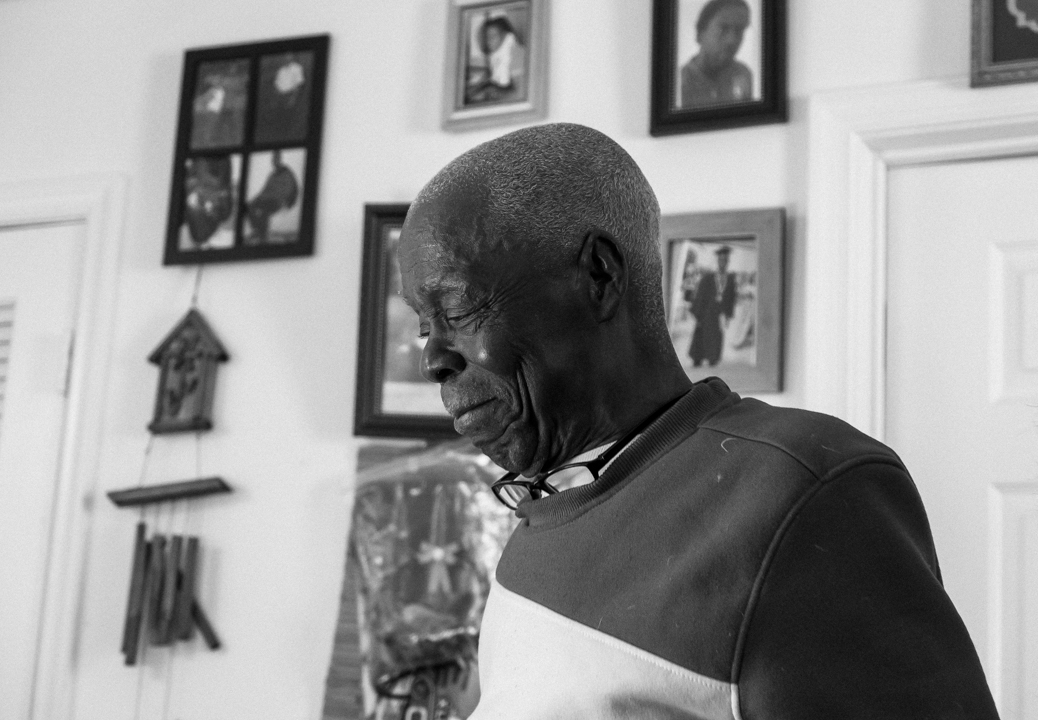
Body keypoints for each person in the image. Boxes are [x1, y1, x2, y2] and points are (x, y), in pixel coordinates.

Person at [396, 122, 1000, 718]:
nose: (432, 360)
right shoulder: (546, 508)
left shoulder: (802, 493)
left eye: (457, 309)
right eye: (425, 327)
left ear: (599, 276)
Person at [681, 0, 754, 108]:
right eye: (723, 29)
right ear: (701, 33)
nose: (731, 40)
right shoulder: (679, 82)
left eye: (739, 31)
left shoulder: (743, 75)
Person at [688, 245, 737, 367]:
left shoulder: (730, 279)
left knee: (716, 337)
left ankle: (712, 359)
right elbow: (700, 295)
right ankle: (697, 359)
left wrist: (727, 315)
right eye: (721, 260)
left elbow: (731, 297)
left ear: (728, 262)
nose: (723, 263)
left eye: (725, 260)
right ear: (717, 261)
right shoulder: (708, 278)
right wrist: (698, 314)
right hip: (706, 313)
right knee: (701, 336)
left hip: (719, 314)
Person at [464, 14, 525, 105]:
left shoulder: (517, 54)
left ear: (505, 35)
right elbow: (496, 81)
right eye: (486, 37)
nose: (488, 41)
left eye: (493, 36)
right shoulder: (497, 56)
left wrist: (492, 94)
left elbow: (520, 94)